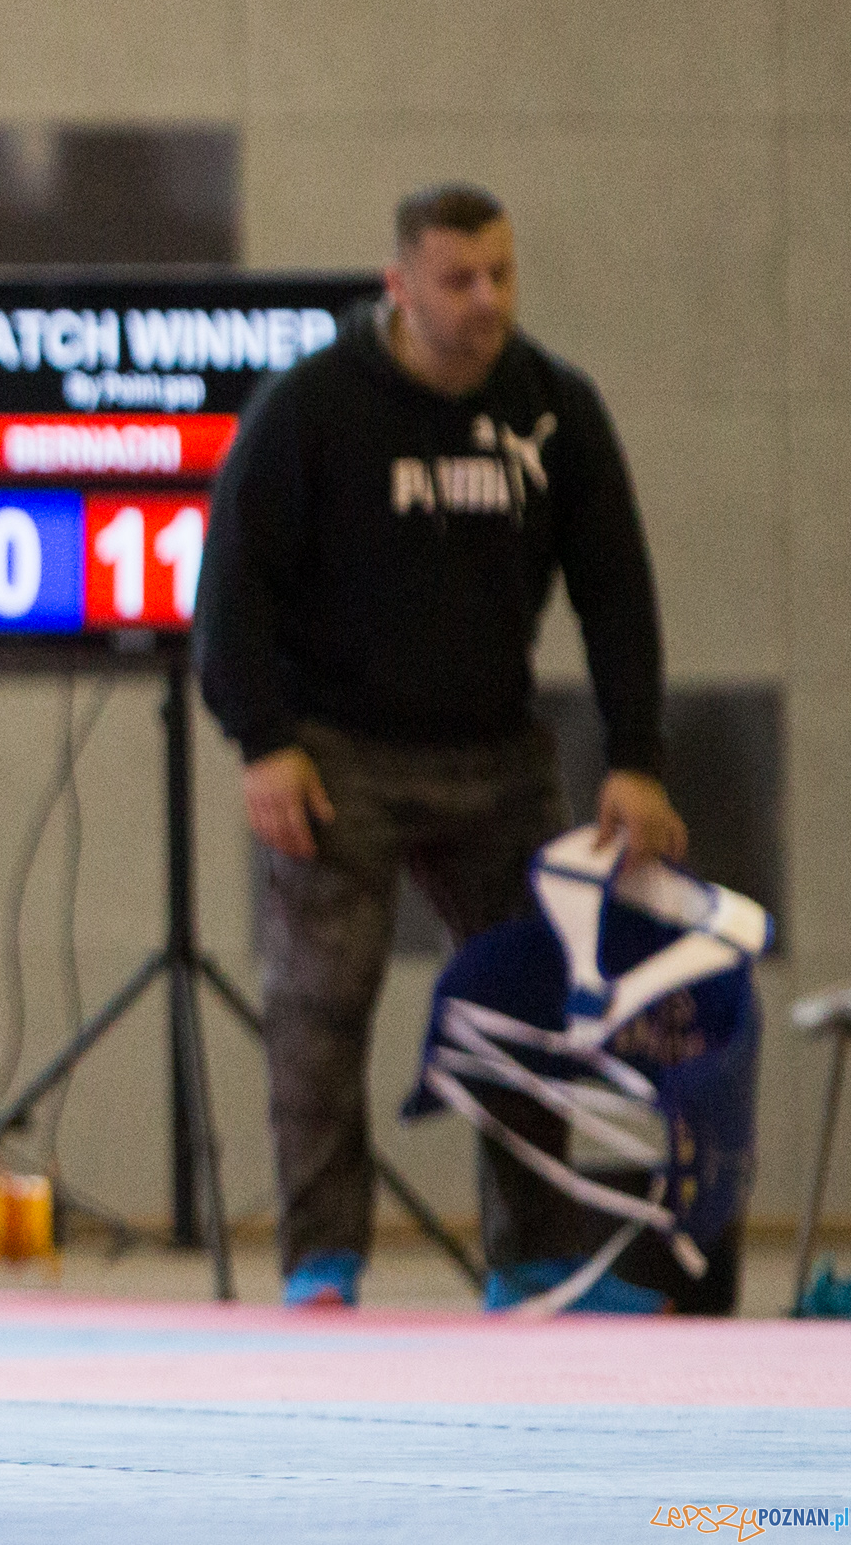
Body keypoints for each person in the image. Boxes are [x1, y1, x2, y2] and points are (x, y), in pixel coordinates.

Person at [195, 182, 690, 1312]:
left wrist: (636, 758)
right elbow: (231, 587)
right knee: (318, 1009)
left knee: (525, 1010)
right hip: (335, 755)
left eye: (499, 274)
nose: (484, 300)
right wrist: (261, 741)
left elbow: (615, 592)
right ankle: (322, 1264)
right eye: (457, 280)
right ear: (399, 286)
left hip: (495, 752)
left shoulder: (553, 407)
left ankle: (532, 1263)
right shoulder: (311, 408)